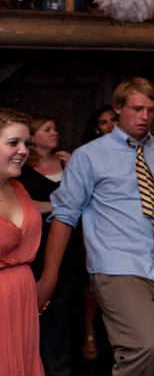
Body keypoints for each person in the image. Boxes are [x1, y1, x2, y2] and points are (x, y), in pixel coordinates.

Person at [36, 77, 154, 376]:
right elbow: (64, 217)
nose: (145, 117)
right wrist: (49, 277)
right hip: (117, 264)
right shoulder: (89, 156)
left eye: (150, 110)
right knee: (146, 344)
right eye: (137, 109)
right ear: (118, 108)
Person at [15, 117, 76, 375]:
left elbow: (82, 196)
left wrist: (75, 168)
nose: (54, 132)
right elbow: (24, 206)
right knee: (36, 305)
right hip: (34, 245)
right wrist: (59, 208)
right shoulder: (20, 171)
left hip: (69, 241)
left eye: (56, 127)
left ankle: (59, 365)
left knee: (62, 305)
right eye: (46, 129)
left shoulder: (67, 162)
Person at [0, 108, 45, 376]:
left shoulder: (17, 188)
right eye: (13, 142)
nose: (23, 150)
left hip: (23, 299)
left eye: (26, 143)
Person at [78, 104, 117, 361]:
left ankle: (120, 340)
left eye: (113, 120)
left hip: (124, 229)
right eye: (104, 122)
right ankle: (90, 333)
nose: (110, 125)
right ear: (96, 129)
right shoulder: (87, 156)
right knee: (92, 281)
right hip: (95, 225)